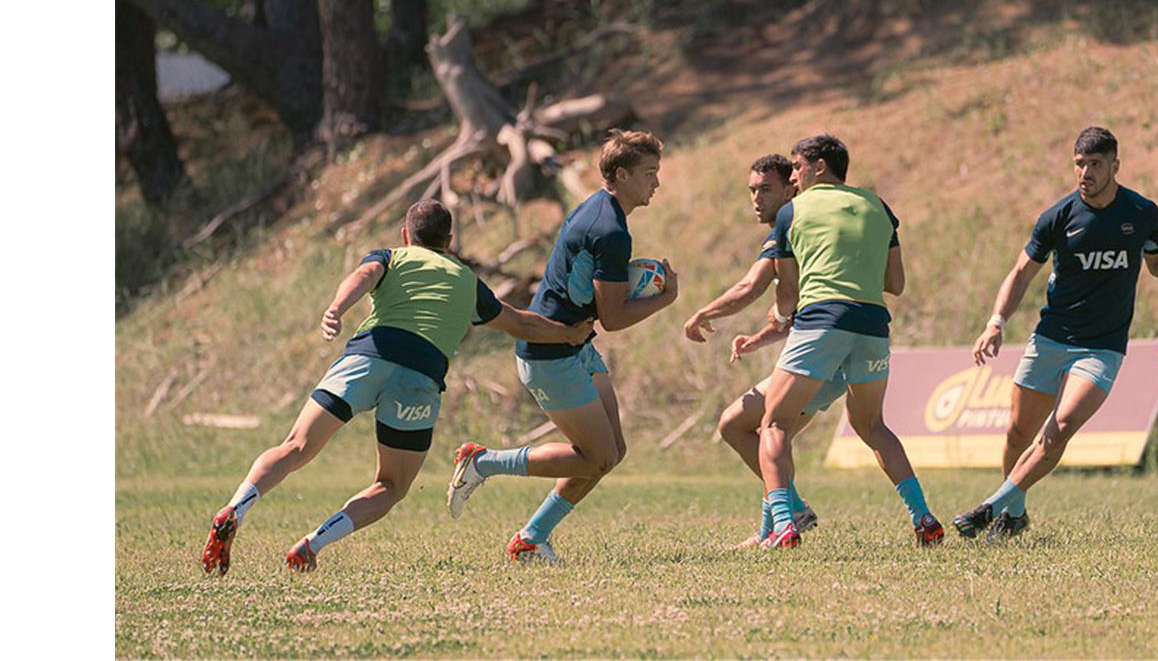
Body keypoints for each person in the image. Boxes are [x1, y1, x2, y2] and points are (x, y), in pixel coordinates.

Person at [199, 199, 593, 575]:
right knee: (390, 485)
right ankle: (311, 546)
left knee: (295, 446)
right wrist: (569, 335)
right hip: (418, 376)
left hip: (364, 358)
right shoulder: (467, 280)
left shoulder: (390, 256)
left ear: (406, 235)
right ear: (450, 243)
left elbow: (362, 276)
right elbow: (522, 323)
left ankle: (236, 507)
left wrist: (337, 309)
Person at [957, 126, 1158, 541]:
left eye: (1095, 164)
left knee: (1062, 425)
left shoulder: (1140, 212)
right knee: (1018, 432)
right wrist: (995, 322)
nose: (1085, 173)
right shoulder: (1057, 217)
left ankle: (990, 507)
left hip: (1102, 347)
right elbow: (1021, 273)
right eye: (1079, 164)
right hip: (1051, 337)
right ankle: (1013, 515)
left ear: (1115, 166)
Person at [446, 129, 678, 563]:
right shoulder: (610, 230)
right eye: (649, 174)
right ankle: (484, 462)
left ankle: (532, 538)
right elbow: (613, 318)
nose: (656, 183)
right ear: (622, 175)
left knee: (611, 453)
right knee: (597, 455)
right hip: (550, 354)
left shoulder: (597, 207)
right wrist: (665, 298)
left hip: (574, 344)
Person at [757, 134, 943, 550]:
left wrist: (781, 314)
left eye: (796, 166)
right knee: (872, 426)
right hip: (873, 325)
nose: (792, 175)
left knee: (773, 424)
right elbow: (895, 283)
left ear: (820, 167)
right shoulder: (879, 206)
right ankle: (923, 517)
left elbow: (788, 291)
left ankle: (784, 525)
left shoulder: (792, 211)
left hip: (822, 321)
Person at [683, 154, 844, 548]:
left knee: (734, 424)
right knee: (771, 440)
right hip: (839, 354)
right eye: (752, 190)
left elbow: (748, 288)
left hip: (824, 357)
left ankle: (793, 511)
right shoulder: (811, 225)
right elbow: (799, 302)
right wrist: (761, 336)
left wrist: (702, 313)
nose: (756, 198)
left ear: (792, 187)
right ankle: (771, 528)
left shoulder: (790, 223)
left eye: (766, 189)